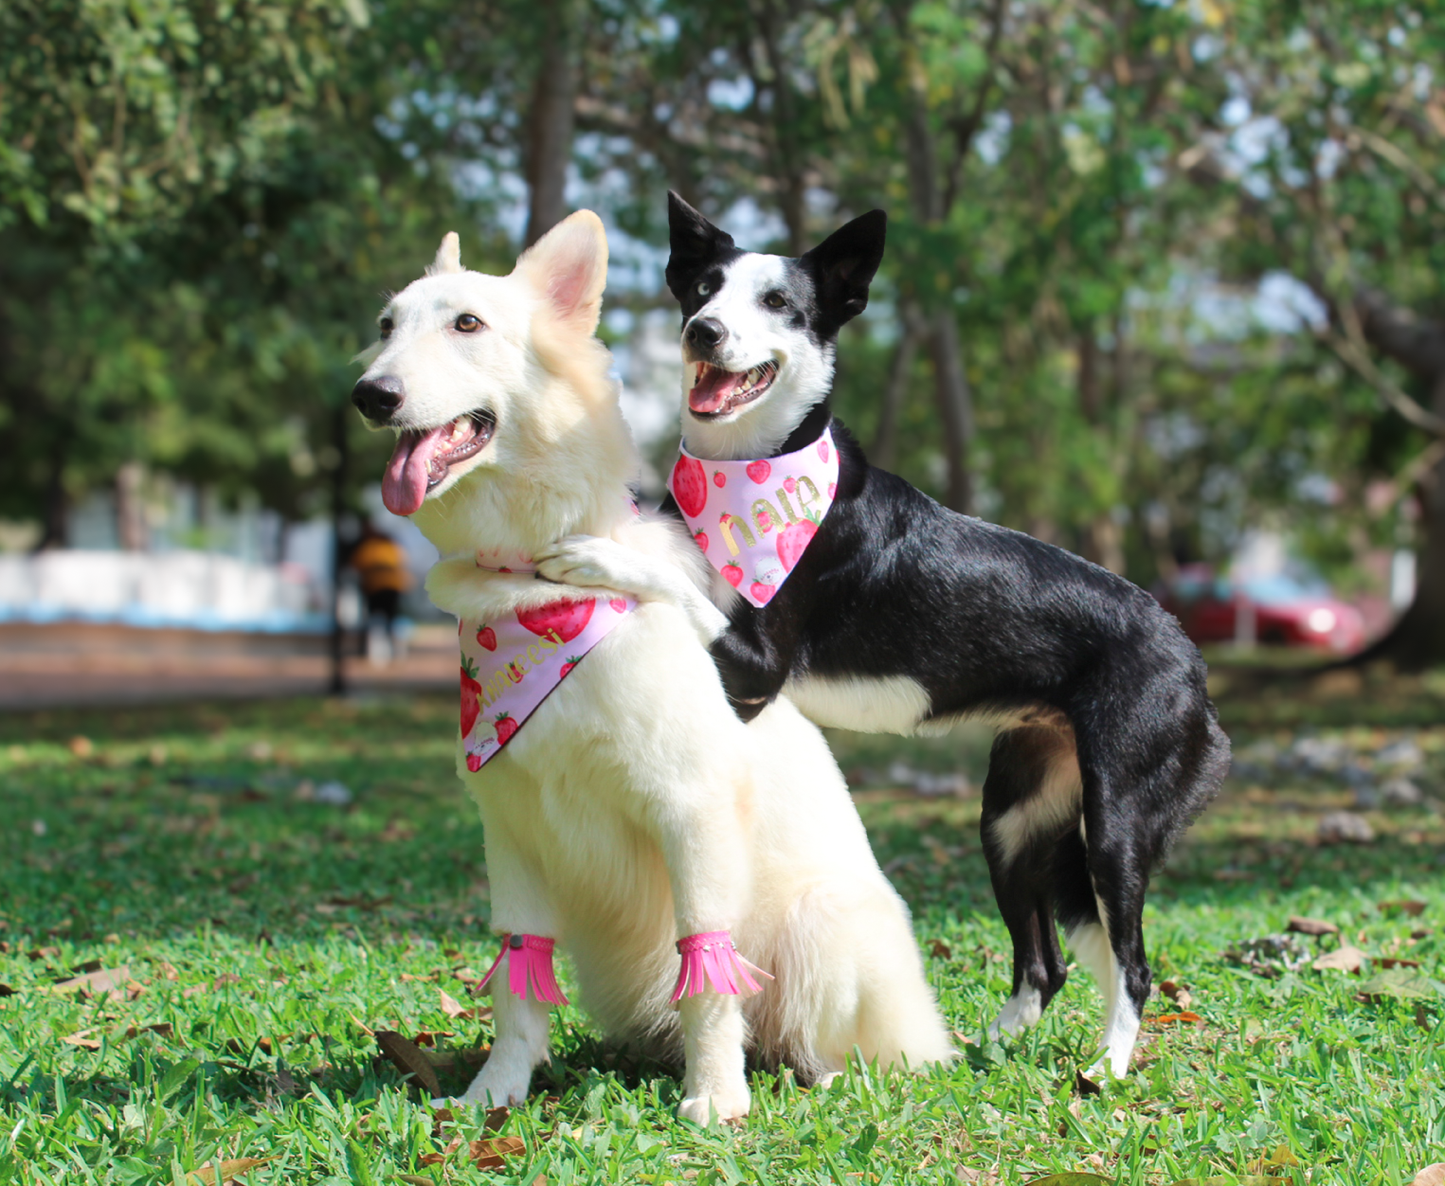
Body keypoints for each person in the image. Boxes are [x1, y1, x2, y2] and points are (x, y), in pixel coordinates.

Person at [349, 521, 412, 665]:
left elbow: (356, 566)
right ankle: (396, 653)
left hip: (376, 588)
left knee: (376, 620)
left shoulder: (367, 547)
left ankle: (377, 656)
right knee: (392, 620)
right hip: (393, 587)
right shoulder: (392, 546)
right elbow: (403, 563)